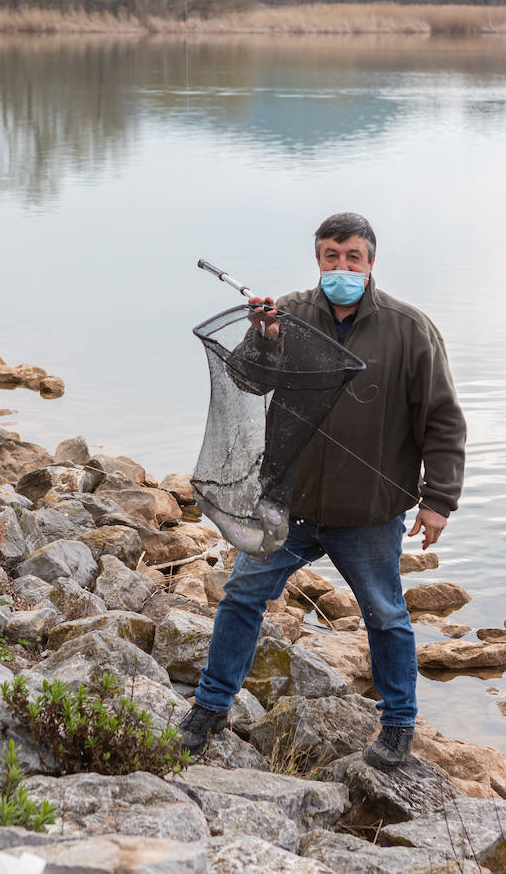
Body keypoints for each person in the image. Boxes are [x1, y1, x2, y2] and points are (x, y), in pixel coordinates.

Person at [180, 212, 467, 770]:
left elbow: (443, 420)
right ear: (318, 261)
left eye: (352, 257)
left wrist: (438, 500)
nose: (342, 267)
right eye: (331, 257)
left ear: (370, 262)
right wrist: (265, 338)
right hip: (289, 504)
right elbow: (247, 379)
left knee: (385, 615)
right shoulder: (287, 315)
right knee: (241, 596)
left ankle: (399, 725)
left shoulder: (410, 330)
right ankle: (210, 706)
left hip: (369, 511)